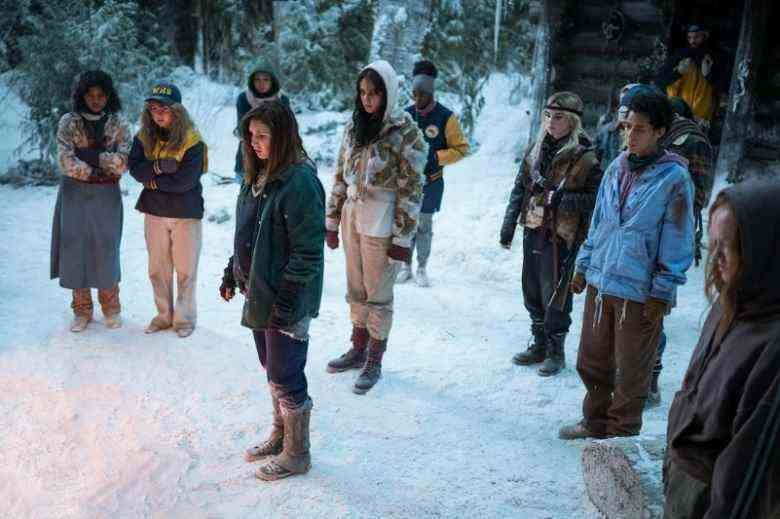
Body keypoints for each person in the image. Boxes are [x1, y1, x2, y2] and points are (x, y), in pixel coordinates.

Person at [559, 90, 695, 439]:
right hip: (602, 283)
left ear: (660, 131)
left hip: (639, 291)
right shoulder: (617, 167)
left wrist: (662, 292)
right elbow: (600, 224)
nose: (630, 136)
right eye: (626, 127)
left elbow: (678, 241)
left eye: (640, 129)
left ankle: (621, 436)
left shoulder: (674, 179)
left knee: (631, 370)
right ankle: (595, 423)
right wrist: (583, 266)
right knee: (591, 360)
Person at [219, 101, 324, 481]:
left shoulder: (299, 181)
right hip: (259, 291)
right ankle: (281, 436)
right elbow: (249, 232)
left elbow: (308, 249)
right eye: (251, 136)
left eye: (263, 136)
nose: (255, 143)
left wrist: (289, 298)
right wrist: (233, 271)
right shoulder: (258, 174)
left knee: (286, 372)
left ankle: (298, 453)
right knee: (271, 369)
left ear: (282, 136)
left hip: (286, 297)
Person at [664, 182, 780, 519]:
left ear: (765, 251)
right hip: (687, 488)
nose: (715, 261)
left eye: (728, 247)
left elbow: (748, 473)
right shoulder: (731, 303)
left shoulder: (772, 345)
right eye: (712, 245)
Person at [324, 60, 427, 394]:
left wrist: (403, 237)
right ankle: (358, 345)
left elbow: (412, 188)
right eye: (363, 93)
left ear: (389, 93)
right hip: (353, 215)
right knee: (355, 286)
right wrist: (331, 218)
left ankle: (375, 357)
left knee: (378, 292)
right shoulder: (353, 127)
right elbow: (340, 174)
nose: (367, 99)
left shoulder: (405, 131)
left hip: (383, 220)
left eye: (375, 93)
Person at [500, 92, 602, 376]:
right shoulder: (536, 147)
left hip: (562, 236)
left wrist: (561, 200)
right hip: (533, 227)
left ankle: (556, 351)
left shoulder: (585, 156)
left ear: (572, 121)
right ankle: (540, 344)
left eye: (558, 117)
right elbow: (519, 187)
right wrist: (508, 227)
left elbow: (595, 199)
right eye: (547, 115)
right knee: (531, 288)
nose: (550, 122)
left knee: (555, 293)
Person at [646, 96, 715, 408]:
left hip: (669, 234)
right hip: (643, 233)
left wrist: (674, 221)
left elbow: (697, 195)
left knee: (654, 309)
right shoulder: (657, 136)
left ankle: (650, 380)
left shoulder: (693, 142)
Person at [51, 70, 131, 332]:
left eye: (101, 95)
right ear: (82, 96)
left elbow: (123, 161)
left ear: (109, 97)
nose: (96, 100)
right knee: (75, 248)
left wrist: (93, 157)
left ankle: (111, 307)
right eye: (91, 95)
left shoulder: (118, 123)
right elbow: (65, 159)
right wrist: (93, 169)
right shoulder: (68, 122)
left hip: (107, 196)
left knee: (106, 247)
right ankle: (82, 310)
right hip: (74, 194)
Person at [128, 82, 207, 338]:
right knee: (157, 269)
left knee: (186, 269)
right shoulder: (143, 137)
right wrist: (162, 166)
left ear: (177, 111)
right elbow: (136, 171)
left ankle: (183, 320)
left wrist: (152, 180)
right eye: (153, 109)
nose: (158, 114)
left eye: (164, 108)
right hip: (154, 212)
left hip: (186, 212)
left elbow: (186, 181)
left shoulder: (192, 140)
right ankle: (163, 316)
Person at [396, 59, 469, 287]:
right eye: (414, 94)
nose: (417, 100)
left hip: (431, 181)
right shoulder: (405, 115)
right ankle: (405, 266)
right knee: (406, 223)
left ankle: (422, 267)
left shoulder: (446, 117)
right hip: (407, 183)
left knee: (424, 225)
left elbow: (462, 149)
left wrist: (436, 157)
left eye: (422, 95)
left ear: (430, 93)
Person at [656, 24, 729, 127]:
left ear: (705, 36)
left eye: (696, 37)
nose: (692, 41)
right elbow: (660, 81)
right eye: (689, 38)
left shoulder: (714, 58)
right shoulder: (680, 55)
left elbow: (723, 88)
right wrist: (678, 72)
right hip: (677, 115)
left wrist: (708, 75)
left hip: (701, 119)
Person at [234, 63, 290, 183]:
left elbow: (286, 131)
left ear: (272, 81)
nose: (261, 84)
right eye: (257, 80)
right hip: (248, 154)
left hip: (276, 155)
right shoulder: (244, 98)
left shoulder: (282, 100)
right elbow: (242, 130)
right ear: (252, 81)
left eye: (266, 80)